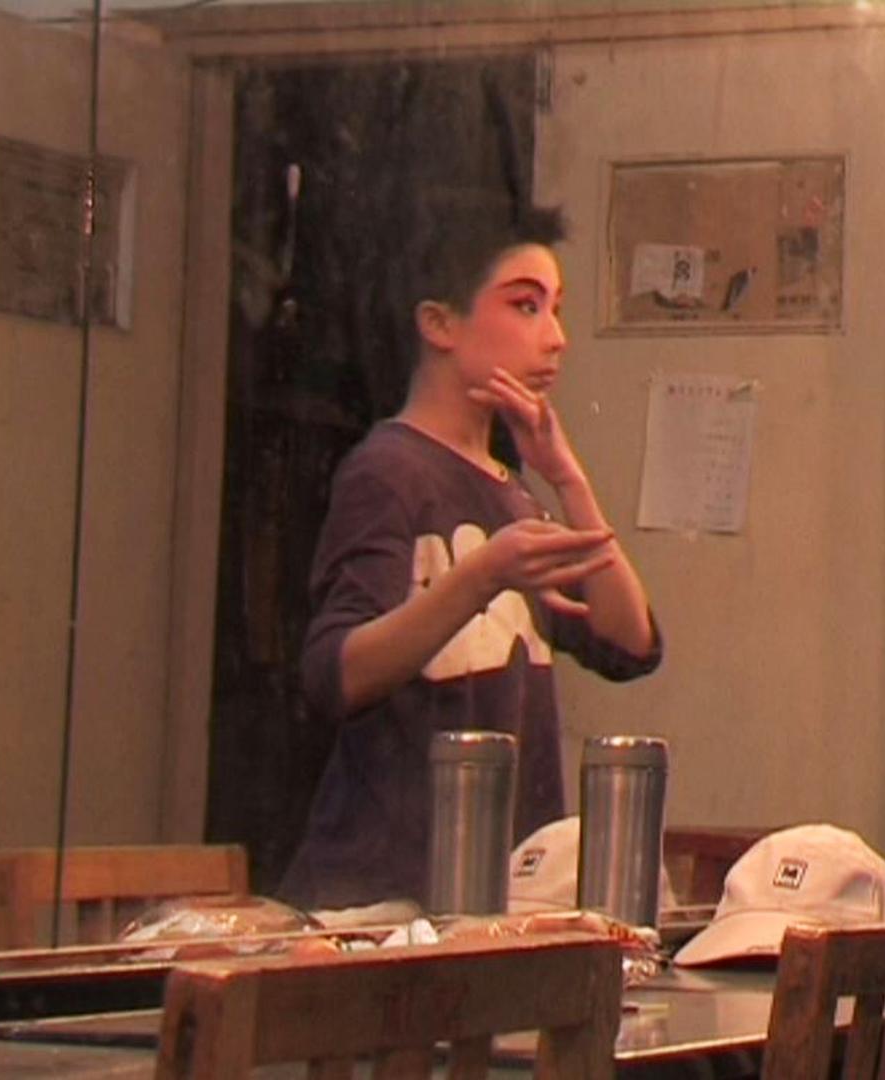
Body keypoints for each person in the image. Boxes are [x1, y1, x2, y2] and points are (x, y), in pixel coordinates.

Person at [281, 200, 662, 910]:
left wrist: (567, 479)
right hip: (384, 894)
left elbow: (628, 642)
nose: (556, 339)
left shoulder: (511, 491)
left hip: (498, 891)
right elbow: (336, 672)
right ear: (440, 323)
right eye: (525, 306)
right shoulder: (388, 472)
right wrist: (482, 575)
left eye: (556, 310)